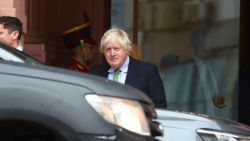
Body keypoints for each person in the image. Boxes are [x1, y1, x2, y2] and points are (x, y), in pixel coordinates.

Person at [89, 28, 167, 108]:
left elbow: (159, 106)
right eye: (108, 49)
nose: (112, 53)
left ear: (126, 50)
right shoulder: (95, 73)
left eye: (116, 49)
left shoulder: (147, 71)